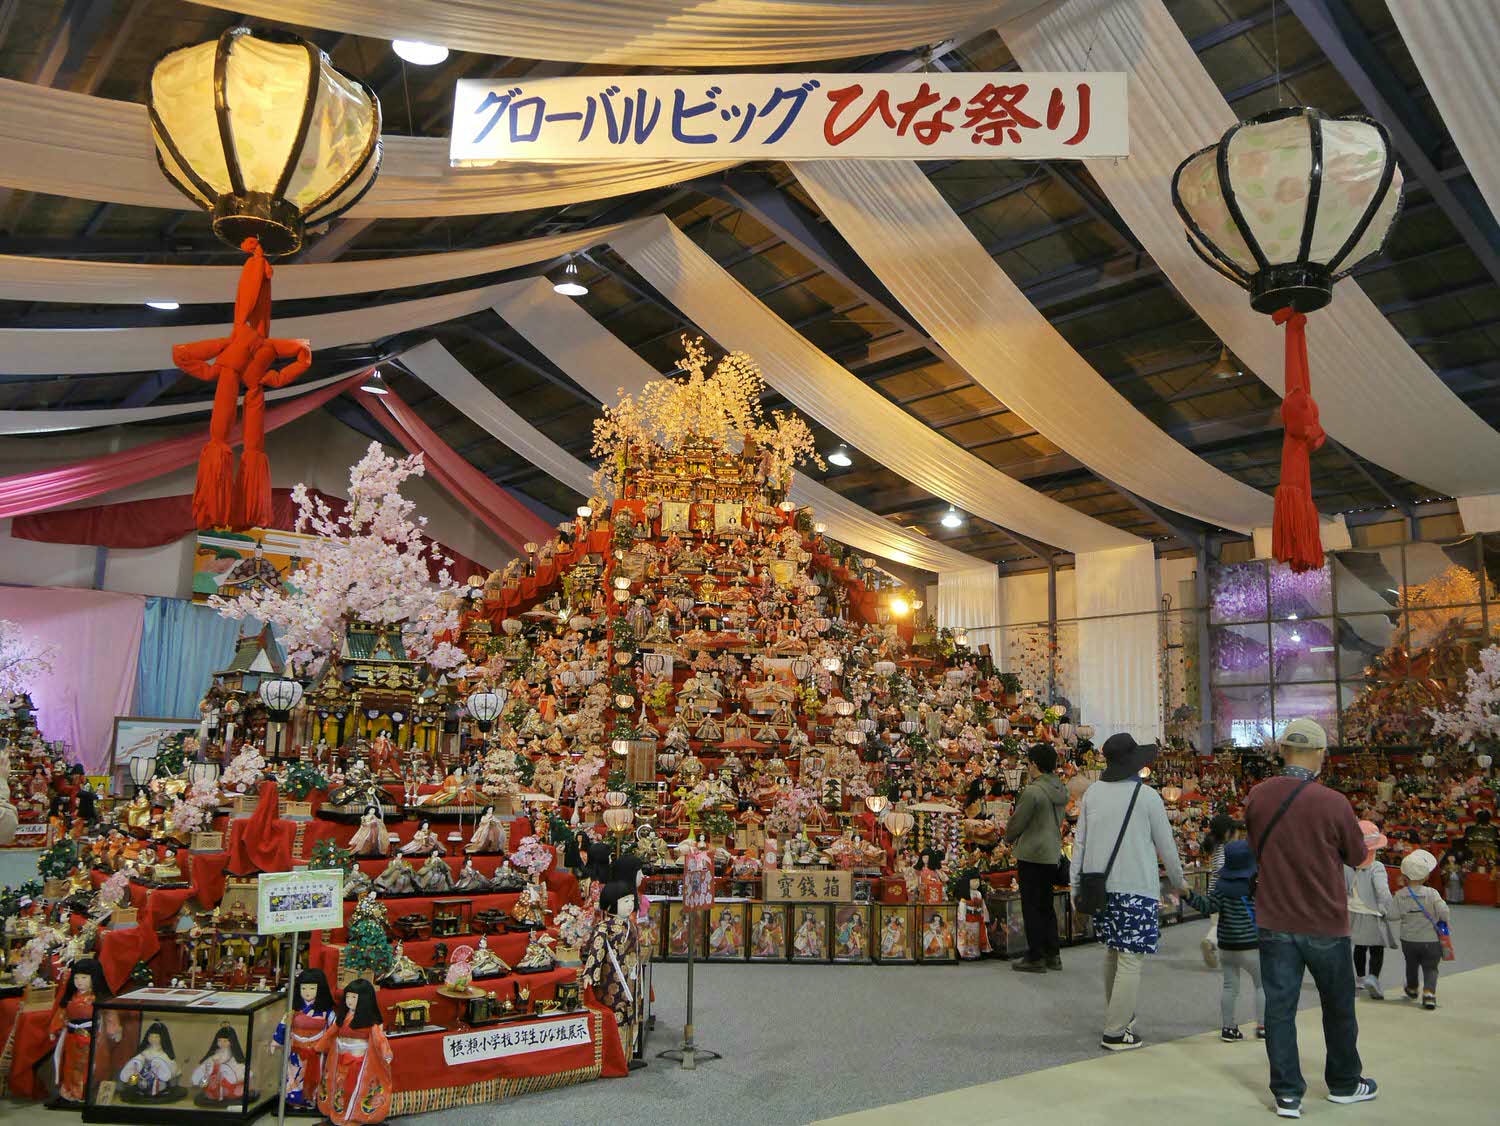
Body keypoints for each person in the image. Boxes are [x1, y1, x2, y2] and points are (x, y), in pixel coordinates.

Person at [1245, 718, 1375, 1119]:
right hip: (1324, 920)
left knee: (1279, 1009)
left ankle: (1287, 1093)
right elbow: (1357, 857)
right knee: (1337, 1006)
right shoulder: (1334, 803)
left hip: (1275, 917)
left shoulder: (1258, 796)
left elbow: (1255, 847)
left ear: (1283, 750)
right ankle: (1344, 1083)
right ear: (1321, 754)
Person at [1069, 732, 1184, 1052]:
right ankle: (1116, 1031)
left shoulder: (1093, 794)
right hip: (1137, 887)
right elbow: (1166, 847)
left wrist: (1074, 885)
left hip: (1100, 887)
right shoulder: (1147, 797)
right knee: (1131, 958)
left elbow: (1079, 844)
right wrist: (1180, 881)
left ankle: (1120, 1018)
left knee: (1113, 952)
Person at [1182, 840, 1265, 1042]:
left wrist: (1188, 895)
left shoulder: (1221, 886)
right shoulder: (1256, 884)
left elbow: (1207, 906)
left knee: (1230, 986)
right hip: (1252, 945)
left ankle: (1228, 1028)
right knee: (1262, 985)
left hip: (1227, 945)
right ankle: (1263, 1027)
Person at [1004, 742, 1068, 972]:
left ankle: (1035, 956)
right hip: (1051, 852)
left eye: (1029, 763)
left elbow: (1017, 823)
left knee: (1031, 906)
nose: (1027, 767)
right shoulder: (1060, 788)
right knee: (1046, 905)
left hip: (1032, 853)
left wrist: (1006, 838)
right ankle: (1053, 954)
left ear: (1035, 764)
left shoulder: (1032, 792)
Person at [310, 978, 393, 1125]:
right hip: (339, 1058)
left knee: (355, 1089)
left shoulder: (371, 1022)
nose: (349, 1001)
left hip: (360, 1062)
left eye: (354, 997)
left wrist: (386, 1054)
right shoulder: (343, 1017)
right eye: (348, 996)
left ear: (365, 1000)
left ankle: (356, 1117)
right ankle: (340, 1115)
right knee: (339, 1088)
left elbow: (379, 1039)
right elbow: (331, 1032)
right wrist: (320, 1046)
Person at [1387, 849, 1450, 1011]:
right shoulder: (1432, 893)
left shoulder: (1400, 895)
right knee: (1431, 967)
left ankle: (1413, 988)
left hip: (1408, 940)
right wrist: (1441, 919)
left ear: (1405, 877)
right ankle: (1429, 993)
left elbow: (1392, 916)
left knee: (1411, 964)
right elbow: (1444, 912)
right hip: (1431, 939)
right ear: (1426, 876)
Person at [1345, 820, 1395, 1000]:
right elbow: (1383, 891)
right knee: (1376, 948)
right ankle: (1373, 977)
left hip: (1352, 911)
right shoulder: (1377, 867)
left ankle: (1359, 978)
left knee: (1359, 946)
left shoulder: (1348, 864)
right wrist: (1388, 908)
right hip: (1373, 912)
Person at [1198, 813, 1239, 968]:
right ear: (1228, 833)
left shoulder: (1216, 848)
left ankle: (1219, 950)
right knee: (1225, 924)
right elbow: (1223, 868)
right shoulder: (1224, 849)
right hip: (1223, 893)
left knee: (1221, 923)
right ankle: (1210, 942)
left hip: (1214, 892)